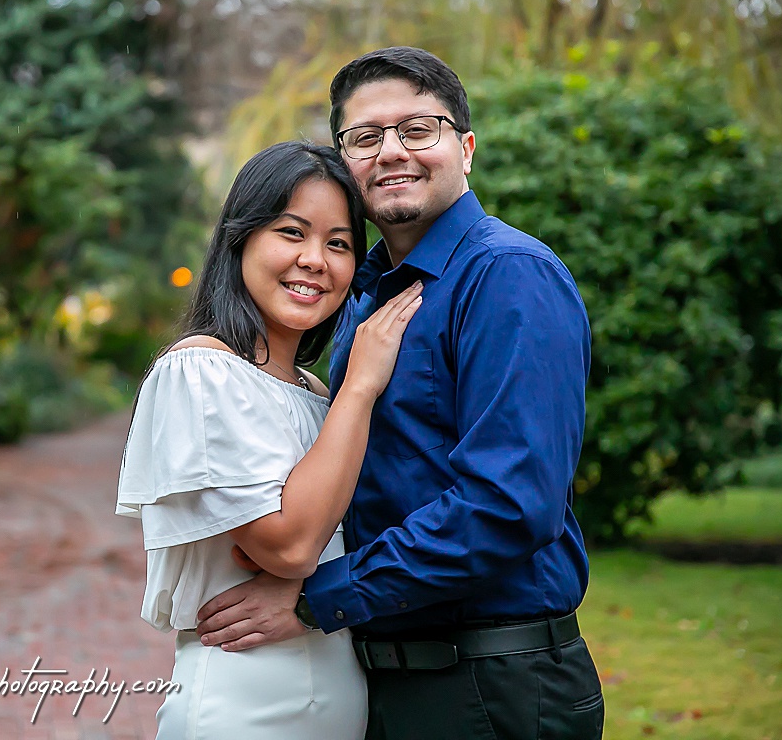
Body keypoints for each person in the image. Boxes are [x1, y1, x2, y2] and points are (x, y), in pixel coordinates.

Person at [196, 47, 605, 739]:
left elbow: (508, 505)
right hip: (386, 679)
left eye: (418, 129)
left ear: (465, 149)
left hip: (491, 685)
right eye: (365, 137)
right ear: (345, 162)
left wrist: (318, 596)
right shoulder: (364, 295)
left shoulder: (508, 275)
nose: (391, 151)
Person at [116, 140, 423, 739]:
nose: (315, 260)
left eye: (339, 243)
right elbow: (289, 548)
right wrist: (361, 385)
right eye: (292, 232)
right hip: (242, 704)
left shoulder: (314, 393)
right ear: (241, 239)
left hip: (337, 701)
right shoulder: (201, 370)